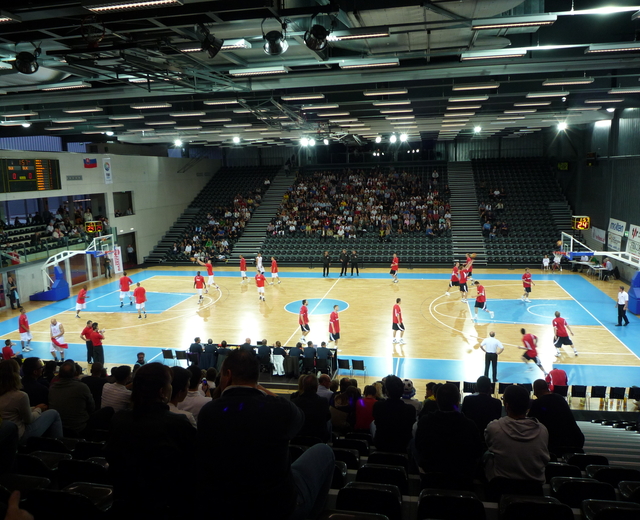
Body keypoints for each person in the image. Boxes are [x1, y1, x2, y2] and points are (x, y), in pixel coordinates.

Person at [197, 349, 335, 520]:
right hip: (278, 507)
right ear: (256, 378)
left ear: (229, 374)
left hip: (227, 507)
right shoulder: (281, 409)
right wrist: (259, 387)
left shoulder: (208, 412)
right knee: (325, 451)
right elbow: (300, 418)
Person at [106, 363, 197, 518]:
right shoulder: (178, 424)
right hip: (165, 508)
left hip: (125, 506)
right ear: (162, 392)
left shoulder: (118, 419)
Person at [414, 383, 482, 490]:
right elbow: (476, 453)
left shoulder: (425, 422)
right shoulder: (470, 425)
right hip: (462, 484)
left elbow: (418, 447)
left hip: (430, 483)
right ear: (458, 402)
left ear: (436, 401)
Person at [484, 384, 550, 485]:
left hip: (501, 488)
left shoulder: (494, 427)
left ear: (507, 405)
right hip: (534, 489)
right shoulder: (542, 430)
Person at [0, 359, 63, 444]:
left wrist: (33, 408)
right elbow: (28, 420)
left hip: (4, 434)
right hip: (19, 436)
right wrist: (38, 409)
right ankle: (57, 446)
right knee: (54, 413)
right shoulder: (20, 396)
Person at [528, 379, 585, 454]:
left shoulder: (538, 404)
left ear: (536, 390)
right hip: (576, 440)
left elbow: (529, 423)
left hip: (555, 443)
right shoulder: (560, 398)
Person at [48, 361, 96, 437]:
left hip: (58, 427)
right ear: (75, 373)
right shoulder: (82, 387)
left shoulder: (52, 387)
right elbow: (92, 408)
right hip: (79, 428)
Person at [372, 374, 417, 453]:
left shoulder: (378, 406)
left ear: (386, 391)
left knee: (372, 423)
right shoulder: (410, 409)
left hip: (381, 444)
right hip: (403, 446)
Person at [291, 374, 331, 442]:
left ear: (303, 386)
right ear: (316, 387)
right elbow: (328, 417)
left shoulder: (294, 402)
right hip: (318, 438)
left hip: (299, 438)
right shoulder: (323, 401)